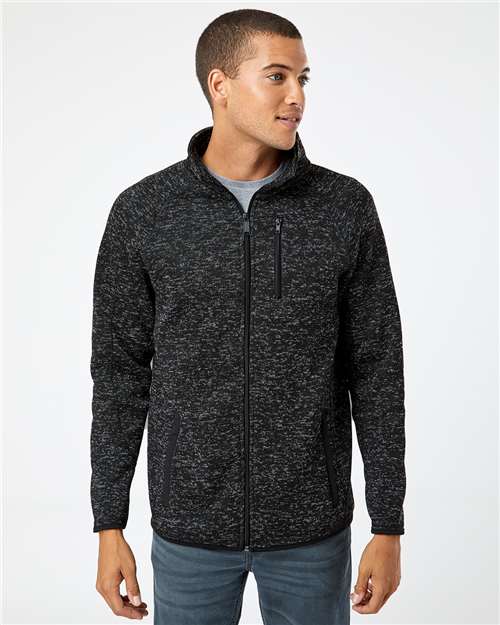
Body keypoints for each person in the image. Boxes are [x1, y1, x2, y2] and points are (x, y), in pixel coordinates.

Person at [90, 8, 406, 625]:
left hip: (312, 529)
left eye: (303, 79)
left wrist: (388, 523)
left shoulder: (344, 207)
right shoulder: (145, 212)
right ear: (221, 85)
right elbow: (119, 376)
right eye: (277, 76)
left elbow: (376, 370)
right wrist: (109, 524)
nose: (297, 97)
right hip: (188, 527)